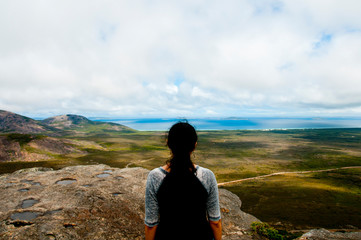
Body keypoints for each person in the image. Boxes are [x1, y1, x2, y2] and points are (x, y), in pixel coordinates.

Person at [145, 122, 222, 240]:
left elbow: (151, 225)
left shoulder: (155, 176)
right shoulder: (207, 176)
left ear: (168, 144)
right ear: (194, 145)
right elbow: (215, 221)